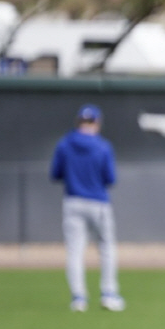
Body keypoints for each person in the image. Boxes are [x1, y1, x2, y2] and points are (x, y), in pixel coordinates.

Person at [49, 104, 125, 312]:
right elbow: (110, 178)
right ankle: (108, 294)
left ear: (78, 122)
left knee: (75, 251)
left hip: (73, 201)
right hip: (98, 202)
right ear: (97, 123)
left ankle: (78, 298)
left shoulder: (65, 144)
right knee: (107, 248)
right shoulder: (103, 146)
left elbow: (55, 174)